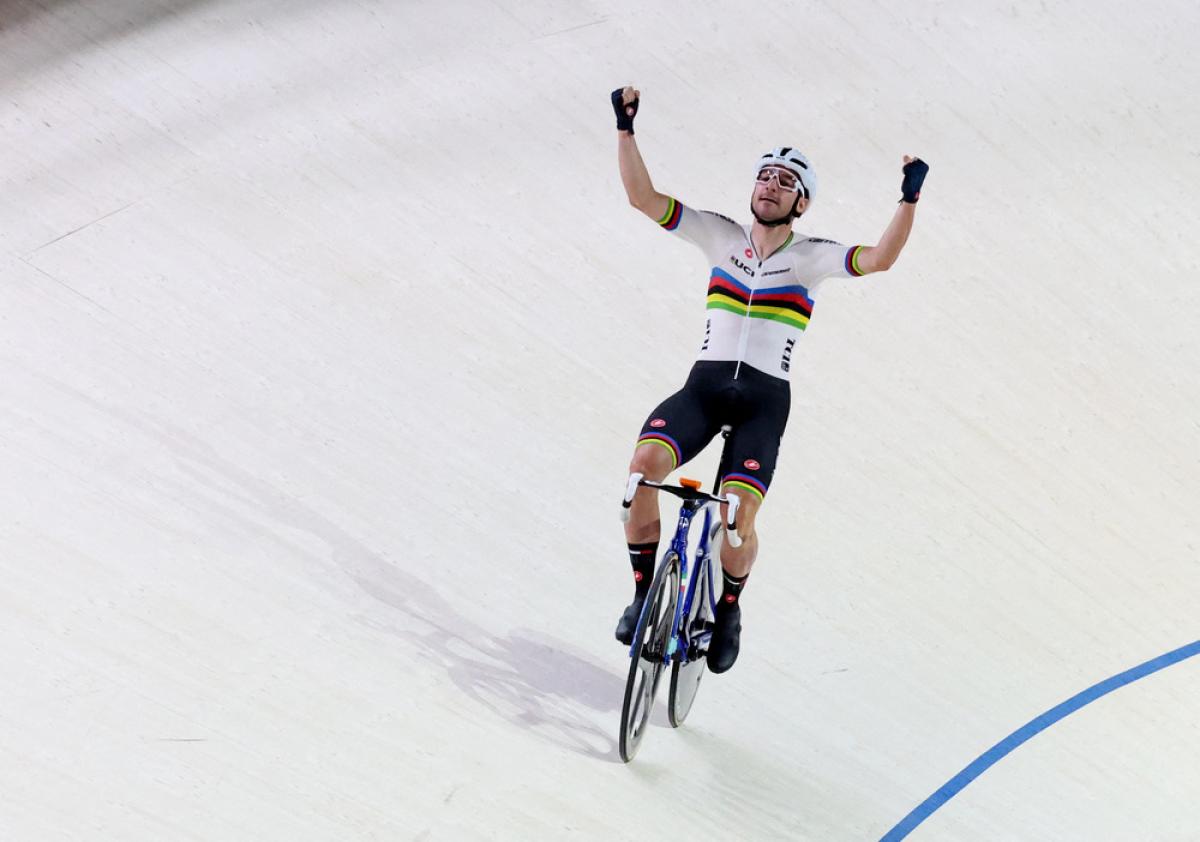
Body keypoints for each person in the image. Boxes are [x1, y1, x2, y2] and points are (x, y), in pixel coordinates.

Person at [610, 85, 929, 673]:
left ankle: (728, 608)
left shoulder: (811, 257)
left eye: (787, 182)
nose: (772, 186)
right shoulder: (719, 235)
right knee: (640, 474)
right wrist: (626, 130)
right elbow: (641, 198)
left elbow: (879, 258)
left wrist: (907, 199)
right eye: (766, 176)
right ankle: (640, 596)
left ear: (801, 204)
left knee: (737, 517)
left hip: (763, 403)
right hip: (703, 390)